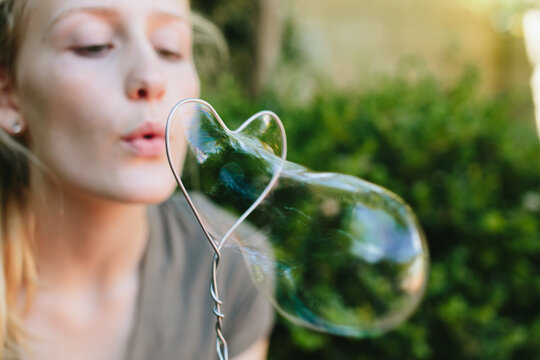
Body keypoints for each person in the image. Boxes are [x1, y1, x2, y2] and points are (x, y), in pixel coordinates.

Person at [0, 0, 274, 359]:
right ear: (8, 94)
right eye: (93, 45)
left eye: (168, 49)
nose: (151, 78)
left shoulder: (226, 266)